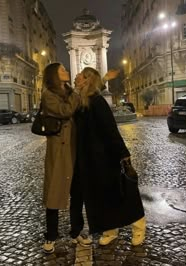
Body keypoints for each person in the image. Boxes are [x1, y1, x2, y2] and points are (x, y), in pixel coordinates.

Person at [70, 67, 146, 246]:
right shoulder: (82, 101)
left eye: (80, 75)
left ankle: (139, 226)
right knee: (101, 198)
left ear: (86, 80)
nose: (76, 76)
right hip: (89, 160)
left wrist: (123, 154)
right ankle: (110, 230)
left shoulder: (97, 102)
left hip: (105, 158)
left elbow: (111, 130)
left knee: (120, 194)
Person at [41, 62, 91, 253]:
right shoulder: (49, 95)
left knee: (77, 193)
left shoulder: (70, 92)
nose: (66, 72)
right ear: (54, 75)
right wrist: (77, 93)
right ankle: (51, 236)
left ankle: (76, 232)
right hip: (59, 151)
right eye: (62, 70)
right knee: (54, 192)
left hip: (75, 148)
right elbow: (64, 111)